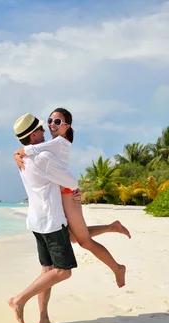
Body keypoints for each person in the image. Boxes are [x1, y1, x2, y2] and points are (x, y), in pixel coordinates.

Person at [14, 108, 128, 289]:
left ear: (67, 127)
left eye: (57, 122)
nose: (51, 124)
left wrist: (18, 152)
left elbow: (33, 149)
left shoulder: (60, 142)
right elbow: (35, 151)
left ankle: (117, 268)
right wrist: (18, 154)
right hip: (61, 194)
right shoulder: (51, 143)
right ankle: (112, 227)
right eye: (50, 120)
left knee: (84, 241)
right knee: (74, 238)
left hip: (68, 194)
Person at [8, 112, 82, 323]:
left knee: (46, 271)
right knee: (63, 271)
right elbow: (71, 180)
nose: (45, 130)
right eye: (41, 128)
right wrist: (74, 190)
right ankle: (19, 300)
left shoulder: (23, 158)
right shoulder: (43, 157)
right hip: (50, 221)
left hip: (35, 221)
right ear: (33, 136)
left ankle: (43, 318)